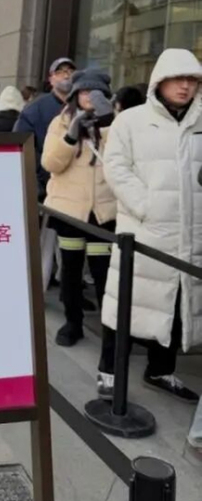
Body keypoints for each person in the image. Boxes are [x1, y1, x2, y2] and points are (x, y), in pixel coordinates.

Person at [98, 48, 202, 402]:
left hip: (189, 235)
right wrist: (146, 205)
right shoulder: (132, 121)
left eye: (192, 80)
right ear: (160, 80)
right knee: (125, 303)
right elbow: (115, 167)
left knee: (175, 305)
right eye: (178, 79)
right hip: (143, 233)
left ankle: (161, 370)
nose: (185, 86)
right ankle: (109, 373)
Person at [42, 69, 116, 347]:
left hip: (103, 212)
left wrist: (107, 123)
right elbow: (50, 163)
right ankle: (72, 322)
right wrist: (71, 137)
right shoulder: (61, 121)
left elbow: (124, 160)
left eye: (95, 93)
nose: (89, 97)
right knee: (71, 271)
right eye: (84, 92)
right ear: (74, 95)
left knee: (103, 272)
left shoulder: (117, 124)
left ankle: (110, 329)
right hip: (69, 211)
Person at [14, 57, 76, 200]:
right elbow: (22, 148)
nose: (66, 76)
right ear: (51, 79)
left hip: (75, 190)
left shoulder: (83, 107)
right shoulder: (35, 109)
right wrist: (37, 186)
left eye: (70, 71)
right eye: (60, 72)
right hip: (46, 189)